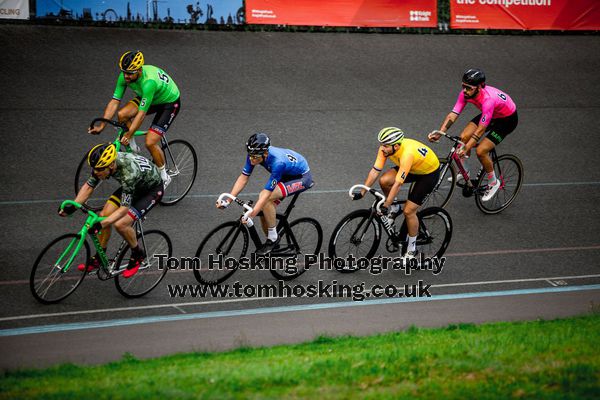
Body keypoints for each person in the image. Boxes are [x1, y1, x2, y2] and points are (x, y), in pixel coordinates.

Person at [59, 143, 164, 278]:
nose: (96, 173)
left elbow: (123, 210)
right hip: (135, 186)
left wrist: (101, 225)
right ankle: (99, 257)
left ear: (111, 166)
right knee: (103, 215)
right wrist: (73, 206)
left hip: (151, 191)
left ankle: (138, 254)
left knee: (120, 224)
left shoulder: (128, 174)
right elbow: (89, 186)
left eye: (99, 170)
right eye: (94, 169)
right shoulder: (104, 164)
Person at [88, 50, 181, 187]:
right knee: (122, 115)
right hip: (150, 98)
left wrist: (129, 133)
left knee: (150, 142)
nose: (126, 76)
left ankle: (164, 177)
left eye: (130, 73)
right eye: (124, 72)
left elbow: (141, 114)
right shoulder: (125, 76)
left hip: (168, 103)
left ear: (139, 70)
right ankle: (133, 148)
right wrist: (102, 126)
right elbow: (114, 101)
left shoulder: (148, 82)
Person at [428, 68, 518, 201]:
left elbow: (480, 130)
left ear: (479, 87)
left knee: (481, 151)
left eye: (468, 88)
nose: (464, 90)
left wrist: (467, 148)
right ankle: (465, 171)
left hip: (507, 120)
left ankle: (493, 182)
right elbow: (453, 114)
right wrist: (440, 133)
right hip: (492, 115)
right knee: (463, 137)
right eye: (463, 86)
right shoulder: (465, 94)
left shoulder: (488, 99)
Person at [216, 133, 313, 254]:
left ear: (265, 154)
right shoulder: (254, 153)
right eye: (250, 156)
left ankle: (273, 239)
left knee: (265, 199)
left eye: (255, 157)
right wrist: (228, 200)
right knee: (263, 210)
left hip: (301, 178)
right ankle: (272, 246)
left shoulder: (278, 163)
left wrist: (252, 214)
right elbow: (243, 178)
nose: (252, 159)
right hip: (285, 174)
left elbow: (266, 193)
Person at [354, 127, 440, 260]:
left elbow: (398, 184)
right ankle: (395, 207)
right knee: (384, 180)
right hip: (412, 168)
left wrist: (385, 205)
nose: (382, 148)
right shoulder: (386, 149)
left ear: (397, 146)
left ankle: (411, 249)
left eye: (386, 146)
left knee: (409, 211)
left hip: (427, 173)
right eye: (382, 144)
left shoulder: (407, 154)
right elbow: (375, 171)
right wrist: (362, 191)